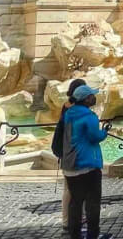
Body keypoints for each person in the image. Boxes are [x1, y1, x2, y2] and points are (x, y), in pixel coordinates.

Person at [62, 83, 112, 239]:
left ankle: (75, 235)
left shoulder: (68, 114)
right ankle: (93, 235)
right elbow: (94, 137)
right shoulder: (89, 116)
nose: (94, 97)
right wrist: (104, 132)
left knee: (75, 203)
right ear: (86, 99)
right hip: (87, 166)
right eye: (91, 95)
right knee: (92, 203)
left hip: (70, 166)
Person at [52, 78, 88, 229]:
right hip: (76, 153)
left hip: (67, 152)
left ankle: (69, 219)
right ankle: (74, 219)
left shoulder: (66, 106)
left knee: (69, 188)